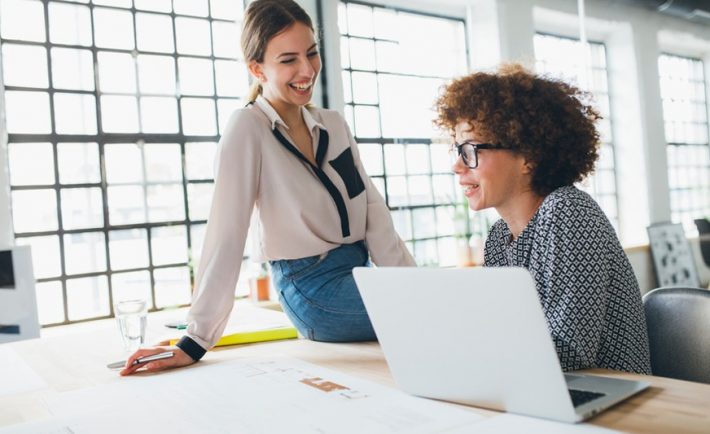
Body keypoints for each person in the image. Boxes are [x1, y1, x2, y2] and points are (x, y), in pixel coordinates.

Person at [121, 0, 414, 375]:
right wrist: (196, 339)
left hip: (358, 270)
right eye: (288, 59)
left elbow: (373, 211)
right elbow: (226, 232)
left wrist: (412, 281)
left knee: (431, 302)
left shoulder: (333, 125)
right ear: (257, 68)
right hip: (313, 289)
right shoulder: (248, 128)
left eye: (311, 53)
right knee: (426, 313)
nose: (307, 69)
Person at [435, 64, 651, 374]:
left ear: (528, 157)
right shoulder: (499, 237)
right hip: (539, 387)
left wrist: (465, 344)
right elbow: (502, 330)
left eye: (470, 150)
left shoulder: (567, 210)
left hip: (613, 402)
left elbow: (570, 350)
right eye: (458, 150)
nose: (457, 165)